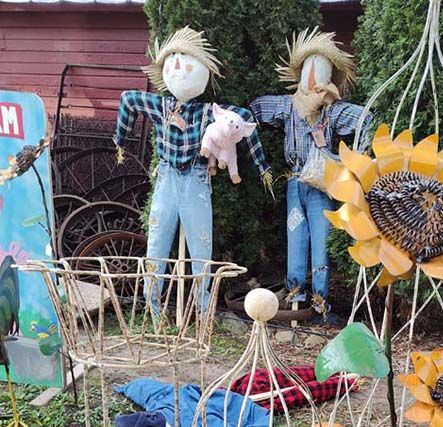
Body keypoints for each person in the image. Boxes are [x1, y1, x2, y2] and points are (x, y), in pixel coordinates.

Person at [113, 26, 272, 314]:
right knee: (156, 245)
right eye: (173, 64)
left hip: (197, 179)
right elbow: (128, 100)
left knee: (201, 248)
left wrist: (262, 166)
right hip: (167, 178)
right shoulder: (161, 106)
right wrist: (120, 140)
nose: (178, 70)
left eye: (186, 65)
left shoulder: (208, 112)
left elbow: (244, 119)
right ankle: (153, 309)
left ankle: (202, 310)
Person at [250, 28, 372, 322]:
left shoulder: (335, 112)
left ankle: (319, 307)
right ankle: (295, 304)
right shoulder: (286, 106)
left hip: (321, 186)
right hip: (295, 183)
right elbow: (252, 110)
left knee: (321, 242)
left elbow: (368, 118)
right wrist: (256, 155)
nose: (314, 78)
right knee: (296, 240)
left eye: (321, 72)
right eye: (309, 70)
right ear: (301, 73)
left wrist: (358, 160)